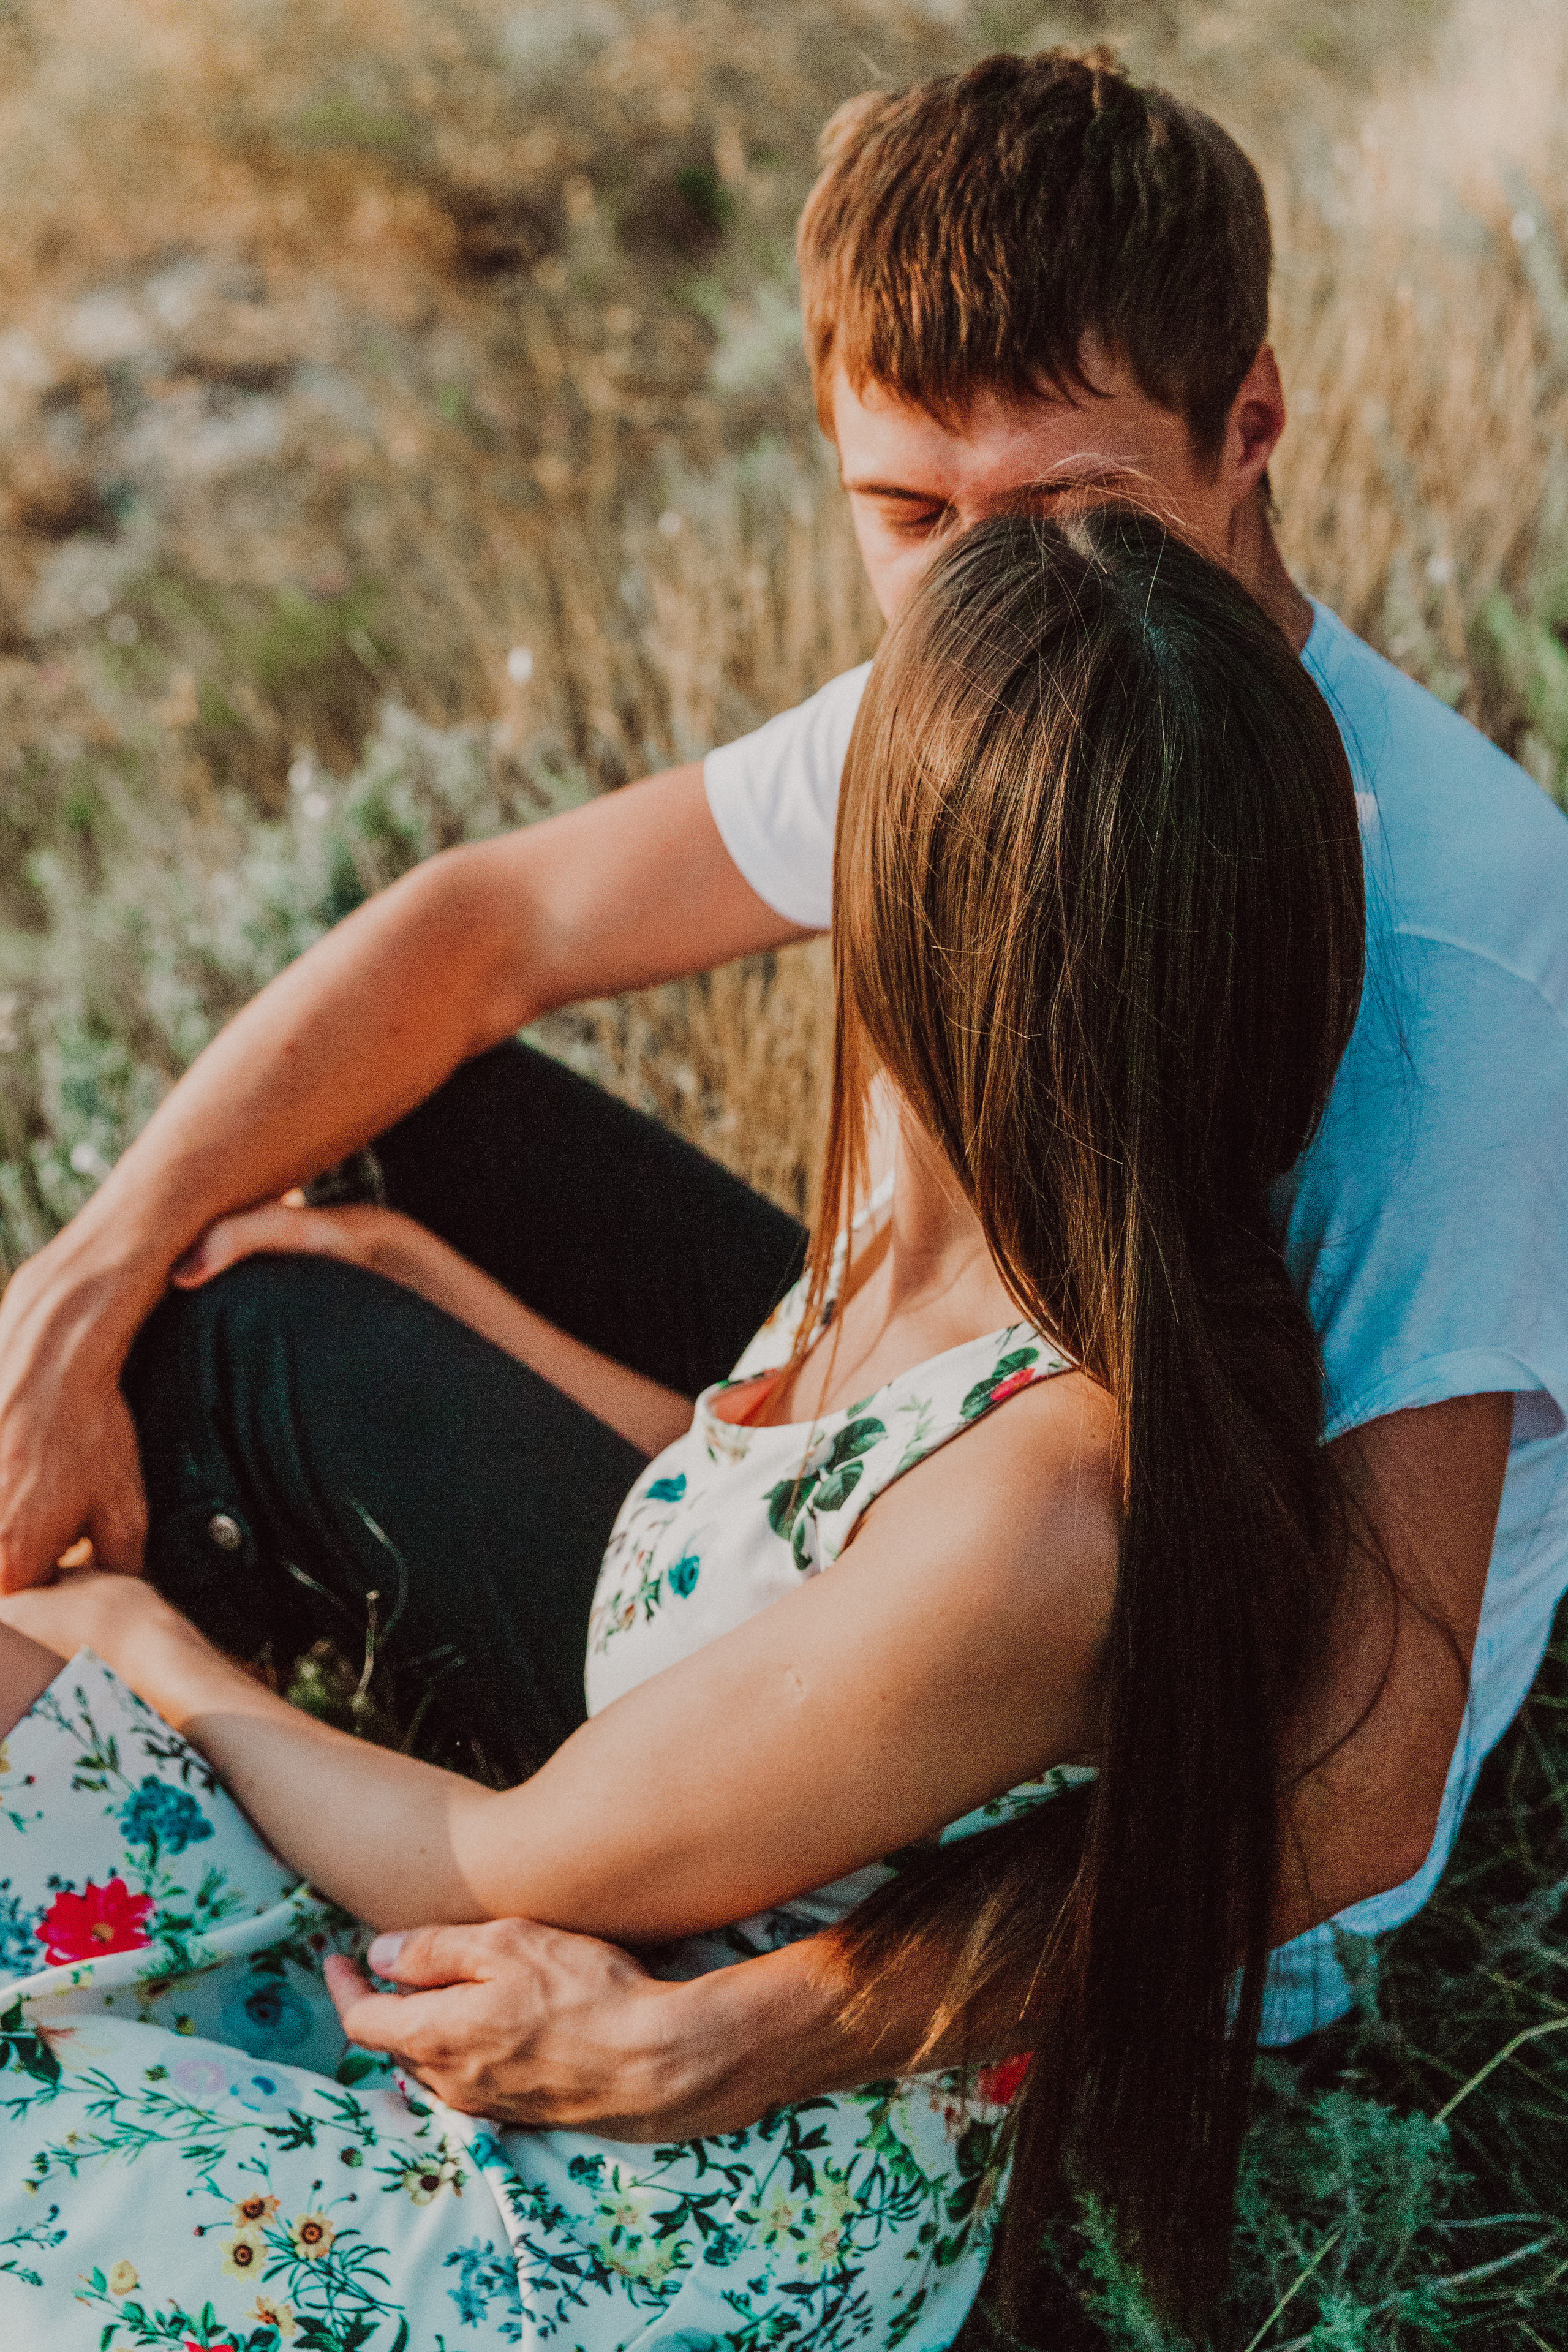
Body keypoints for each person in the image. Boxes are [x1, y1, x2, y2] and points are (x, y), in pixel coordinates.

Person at [0, 45, 1564, 2136]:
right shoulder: (994, 693)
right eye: (913, 517)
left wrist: (786, 2020)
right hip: (995, 1480)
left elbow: (1353, 1784)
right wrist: (73, 1295)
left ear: (1250, 425)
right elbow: (483, 930)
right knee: (391, 1124)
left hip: (1096, 1777)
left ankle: (208, 1771)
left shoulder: (1452, 958)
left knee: (262, 1348)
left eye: (1064, 508)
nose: (985, 587)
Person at [0, 507, 1369, 2342]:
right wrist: (422, 1272)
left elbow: (482, 1865)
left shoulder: (1046, 1508)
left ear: (931, 928)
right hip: (566, 1980)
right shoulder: (938, 1190)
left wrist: (141, 1644)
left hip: (650, 2219)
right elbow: (745, 1524)